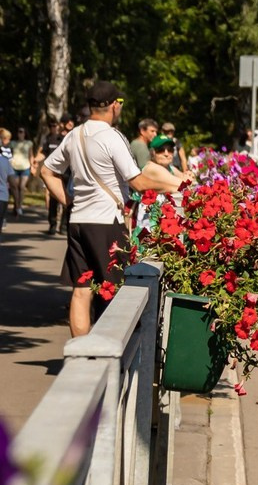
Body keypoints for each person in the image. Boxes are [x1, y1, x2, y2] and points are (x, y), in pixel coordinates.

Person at [40, 83, 181, 337]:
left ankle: (81, 356)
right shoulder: (112, 137)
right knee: (114, 291)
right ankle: (109, 354)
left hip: (78, 221)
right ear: (114, 105)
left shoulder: (75, 135)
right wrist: (175, 184)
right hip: (107, 222)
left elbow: (47, 171)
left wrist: (69, 201)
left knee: (82, 289)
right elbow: (137, 181)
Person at [9, 126, 32, 216]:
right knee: (15, 188)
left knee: (22, 187)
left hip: (25, 167)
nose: (21, 133)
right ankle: (17, 206)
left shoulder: (29, 143)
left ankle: (19, 206)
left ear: (25, 133)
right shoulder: (13, 143)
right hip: (14, 167)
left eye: (22, 132)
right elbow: (9, 154)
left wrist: (33, 166)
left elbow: (31, 155)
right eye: (19, 132)